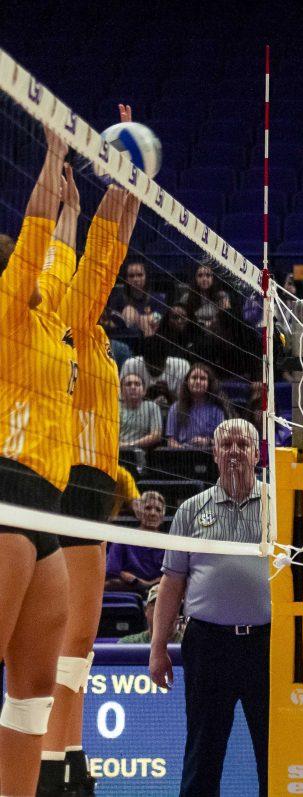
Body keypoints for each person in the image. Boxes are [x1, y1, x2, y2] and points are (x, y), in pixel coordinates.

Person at [40, 117, 142, 796]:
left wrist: (123, 182)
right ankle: (55, 765)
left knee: (79, 640)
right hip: (67, 482)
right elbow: (95, 246)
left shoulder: (87, 334)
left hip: (95, 482)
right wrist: (127, 180)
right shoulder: (60, 322)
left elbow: (78, 235)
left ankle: (68, 754)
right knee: (68, 640)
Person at [0, 128, 74, 797]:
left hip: (42, 502)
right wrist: (51, 157)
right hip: (6, 487)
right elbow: (35, 238)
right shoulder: (6, 307)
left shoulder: (46, 322)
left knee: (33, 686)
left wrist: (77, 211)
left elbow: (58, 263)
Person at [150, 419, 271, 796]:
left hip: (266, 645)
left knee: (274, 750)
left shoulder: (280, 507)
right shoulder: (190, 509)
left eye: (243, 444)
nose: (235, 450)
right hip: (207, 644)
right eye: (227, 444)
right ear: (215, 454)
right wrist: (158, 648)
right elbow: (172, 583)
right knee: (203, 750)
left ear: (257, 453)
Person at [105, 491, 168, 594]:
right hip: (125, 597)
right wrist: (151, 584)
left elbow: (171, 579)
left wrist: (139, 583)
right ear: (138, 512)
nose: (153, 513)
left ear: (162, 517)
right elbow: (111, 575)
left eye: (158, 510)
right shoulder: (122, 539)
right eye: (148, 508)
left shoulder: (170, 545)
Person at [165, 363, 228, 449]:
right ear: (187, 381)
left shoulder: (217, 409)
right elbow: (171, 441)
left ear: (209, 383)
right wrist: (182, 450)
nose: (198, 381)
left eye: (202, 379)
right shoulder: (175, 408)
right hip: (183, 454)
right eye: (194, 378)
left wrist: (207, 441)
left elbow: (222, 441)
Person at [119, 333, 190, 405]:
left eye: (158, 365)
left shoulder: (181, 366)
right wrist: (144, 396)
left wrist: (169, 395)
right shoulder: (130, 365)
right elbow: (121, 402)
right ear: (143, 359)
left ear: (166, 359)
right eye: (151, 366)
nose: (155, 369)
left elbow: (187, 405)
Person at [112, 260, 165, 338]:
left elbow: (159, 318)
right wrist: (143, 319)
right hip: (127, 341)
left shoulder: (157, 299)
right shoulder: (119, 300)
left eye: (140, 275)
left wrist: (136, 318)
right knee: (129, 310)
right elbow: (114, 322)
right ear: (126, 279)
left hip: (151, 337)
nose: (136, 279)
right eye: (131, 276)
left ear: (146, 277)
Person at [117, 584, 185, 645]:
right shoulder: (128, 644)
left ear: (177, 612)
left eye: (168, 605)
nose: (161, 611)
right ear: (146, 610)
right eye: (156, 605)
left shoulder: (191, 646)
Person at [118, 371, 162, 451]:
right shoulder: (115, 408)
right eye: (128, 384)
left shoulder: (152, 407)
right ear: (121, 390)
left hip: (143, 454)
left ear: (144, 391)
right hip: (117, 452)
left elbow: (156, 435)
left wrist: (130, 445)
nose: (133, 387)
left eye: (137, 384)